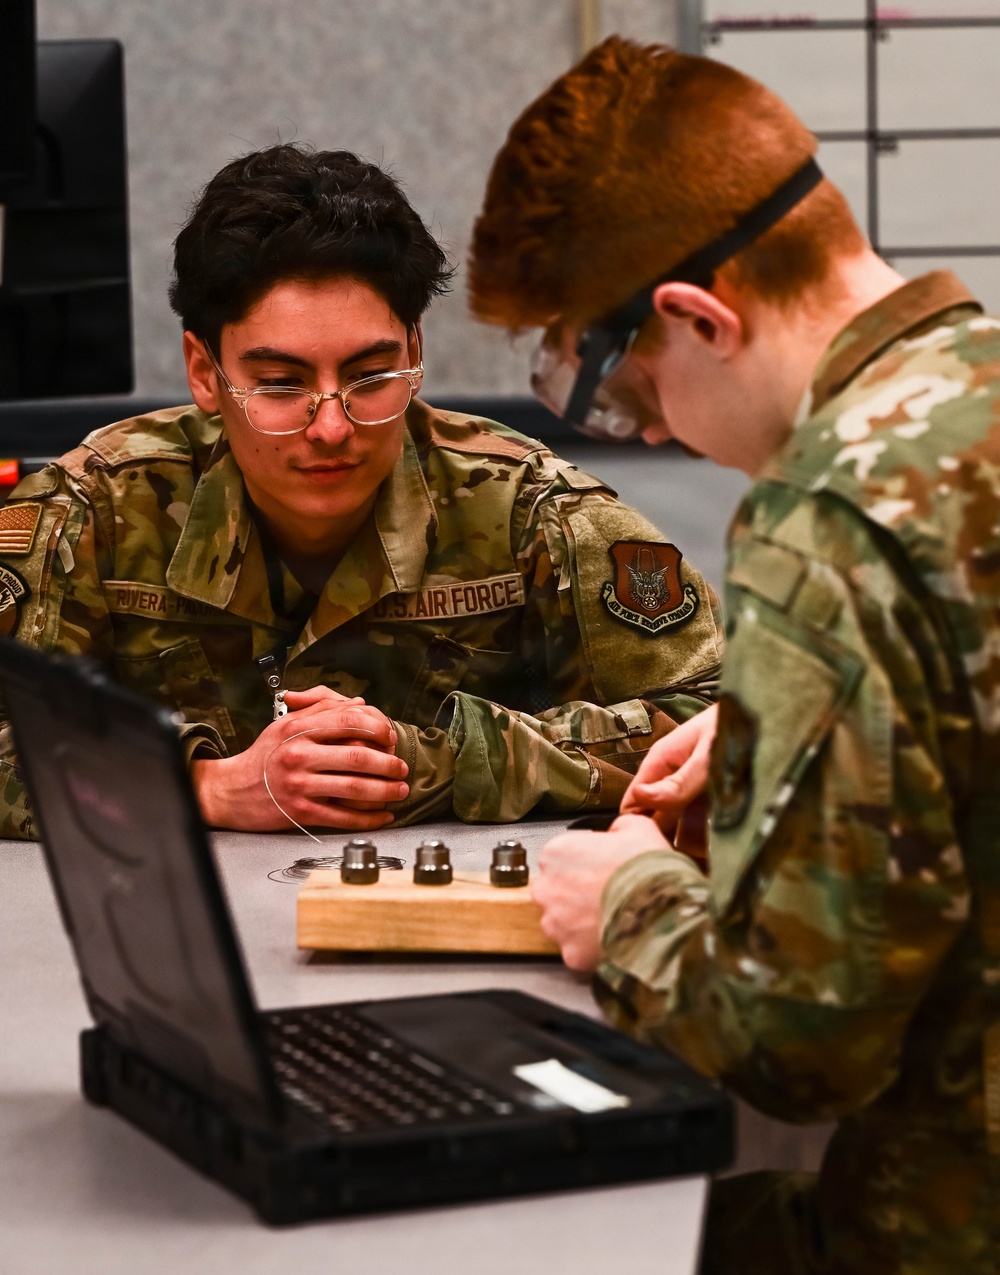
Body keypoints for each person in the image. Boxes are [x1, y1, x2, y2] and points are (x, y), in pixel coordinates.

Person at [468, 36, 1000, 1275]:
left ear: (698, 317)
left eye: (622, 389)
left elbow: (797, 1042)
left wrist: (627, 900)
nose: (645, 428)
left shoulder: (834, 515)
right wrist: (790, 731)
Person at [0, 142, 722, 840]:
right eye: (281, 385)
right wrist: (201, 785)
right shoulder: (96, 508)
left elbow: (724, 724)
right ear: (203, 371)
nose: (333, 426)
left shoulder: (528, 508)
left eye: (371, 378)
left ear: (414, 351)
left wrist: (432, 761)